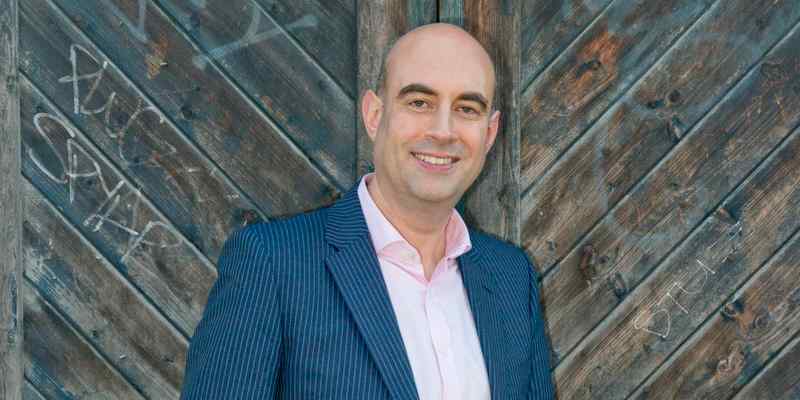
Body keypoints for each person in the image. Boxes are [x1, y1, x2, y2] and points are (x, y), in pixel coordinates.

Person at [180, 23, 555, 400]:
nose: (443, 131)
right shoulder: (273, 264)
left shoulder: (511, 277)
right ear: (375, 114)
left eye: (467, 109)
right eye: (419, 102)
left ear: (489, 133)